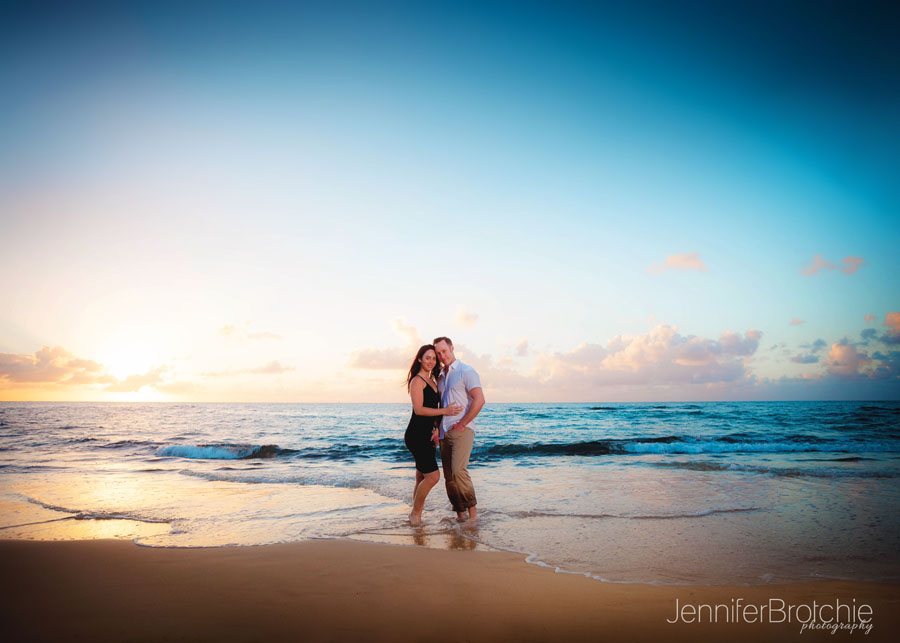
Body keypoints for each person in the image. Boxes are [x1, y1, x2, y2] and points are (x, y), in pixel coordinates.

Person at [404, 344, 462, 526]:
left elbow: (433, 410)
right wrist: (445, 411)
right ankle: (415, 514)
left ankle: (415, 513)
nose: (431, 361)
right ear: (420, 359)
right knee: (433, 477)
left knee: (422, 476)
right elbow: (419, 410)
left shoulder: (433, 381)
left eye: (433, 358)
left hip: (428, 434)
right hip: (416, 435)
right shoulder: (417, 381)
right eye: (427, 358)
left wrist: (436, 428)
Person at [433, 336, 485, 522]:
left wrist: (462, 423)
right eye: (438, 353)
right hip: (445, 431)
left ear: (452, 348)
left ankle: (473, 515)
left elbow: (479, 400)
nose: (441, 356)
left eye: (444, 351)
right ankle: (460, 515)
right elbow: (440, 406)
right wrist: (437, 429)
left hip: (462, 429)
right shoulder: (440, 378)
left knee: (458, 471)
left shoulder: (466, 371)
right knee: (449, 477)